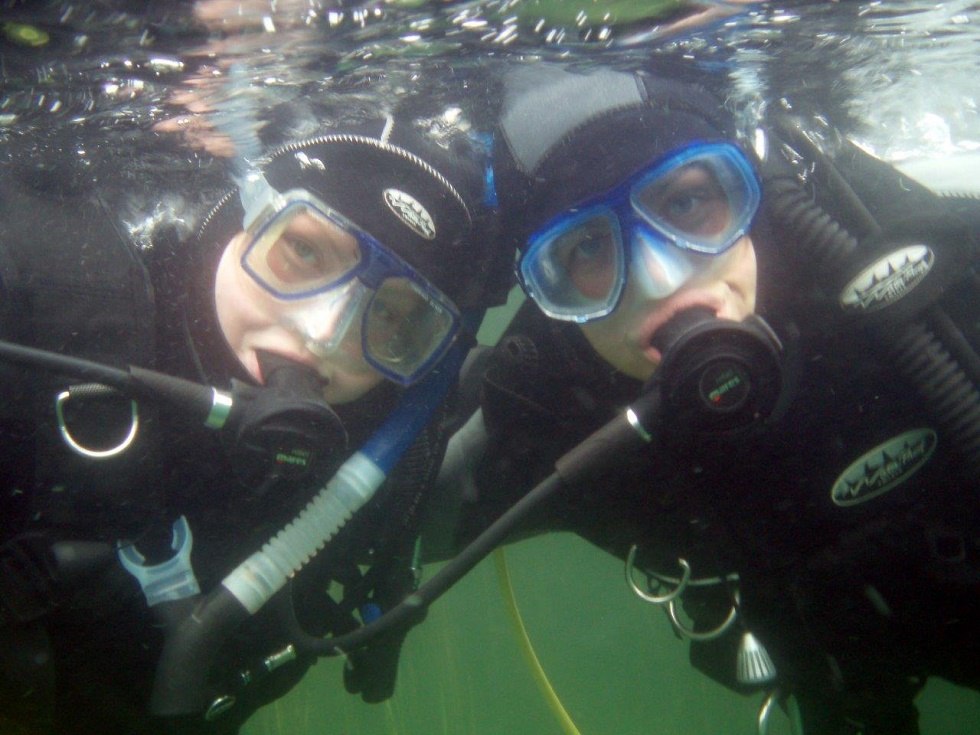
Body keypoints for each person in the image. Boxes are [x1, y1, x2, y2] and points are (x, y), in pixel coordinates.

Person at [431, 63, 980, 734]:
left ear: (748, 194)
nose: (663, 277)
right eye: (585, 249)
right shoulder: (554, 410)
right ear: (550, 298)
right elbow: (388, 514)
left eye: (687, 203)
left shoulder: (904, 287)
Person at [0, 91, 510, 734]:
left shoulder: (391, 446)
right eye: (303, 251)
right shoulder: (41, 314)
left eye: (399, 316)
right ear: (246, 211)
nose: (326, 335)